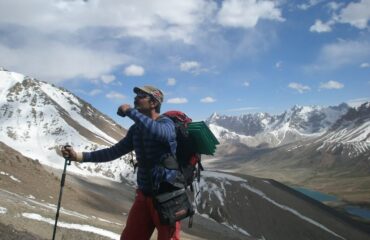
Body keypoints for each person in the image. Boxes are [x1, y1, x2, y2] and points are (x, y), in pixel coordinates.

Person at [61, 86, 183, 240]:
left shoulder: (166, 124)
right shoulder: (136, 130)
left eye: (141, 95)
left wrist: (129, 111)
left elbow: (159, 133)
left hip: (169, 197)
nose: (135, 98)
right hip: (144, 195)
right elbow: (113, 152)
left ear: (153, 102)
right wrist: (79, 156)